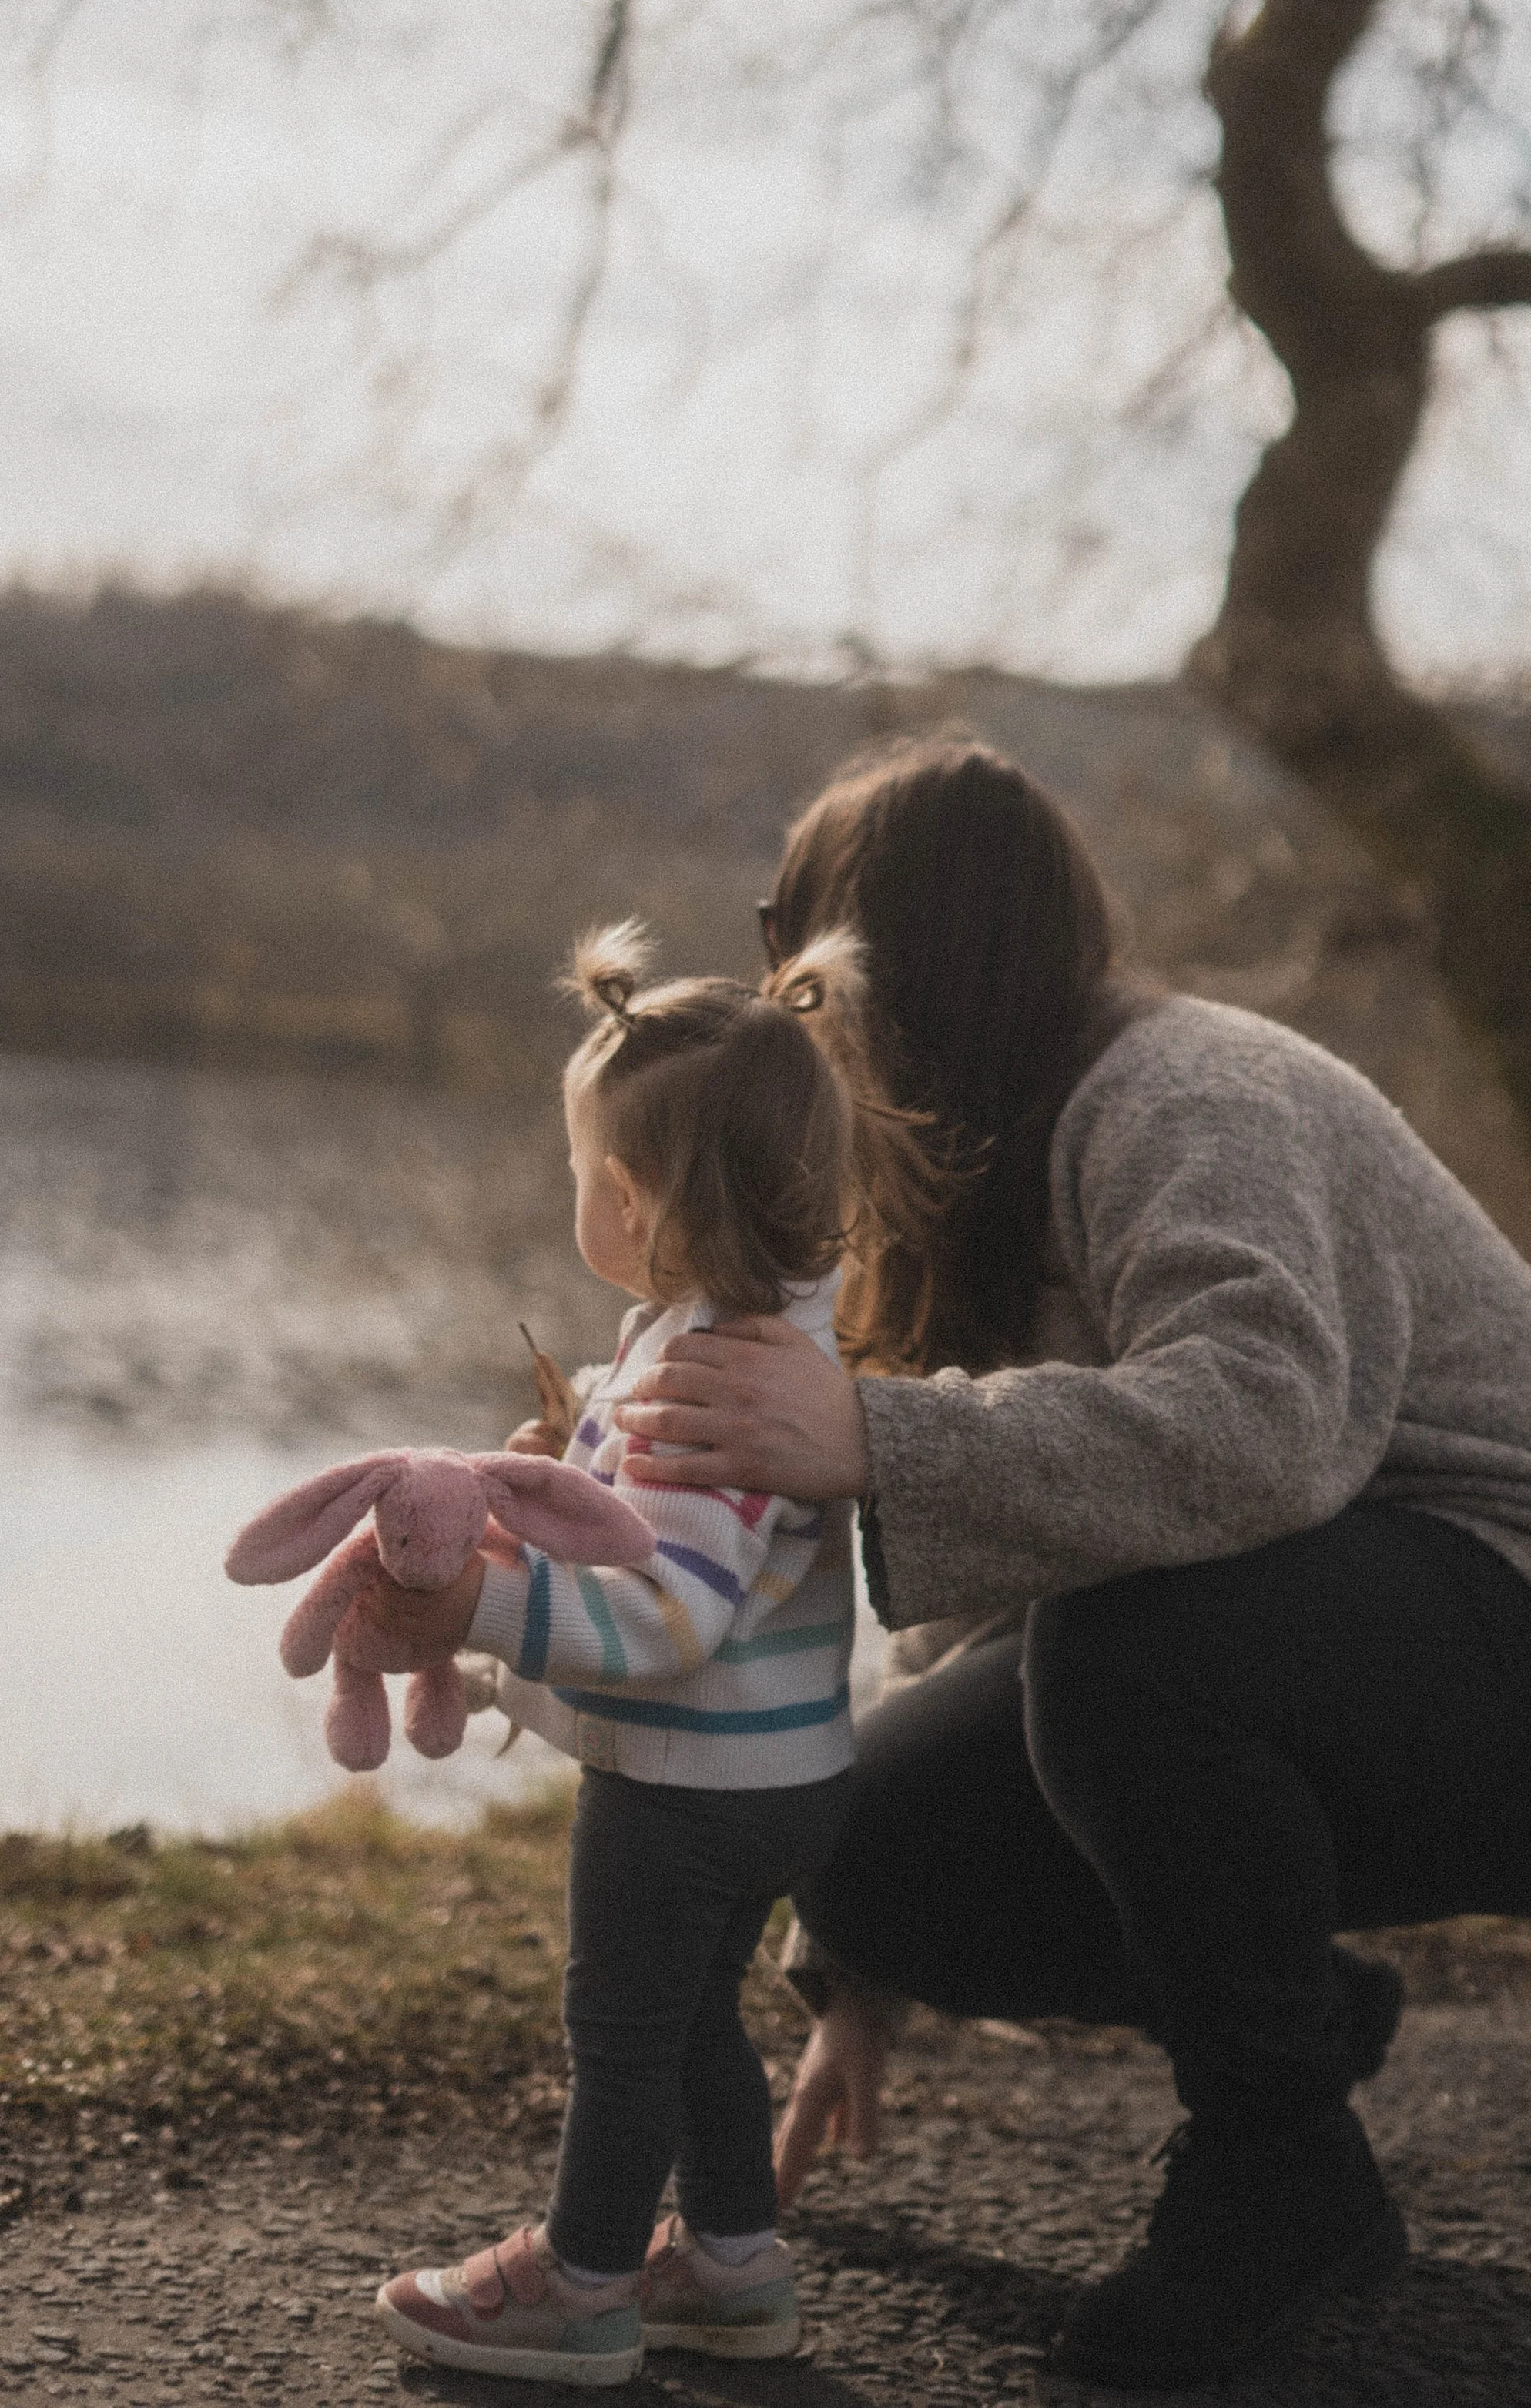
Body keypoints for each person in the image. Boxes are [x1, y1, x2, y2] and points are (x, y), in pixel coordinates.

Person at [609, 736, 1531, 2393]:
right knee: (859, 1827)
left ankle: (1278, 2169)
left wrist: (871, 1440)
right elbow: (1042, 1532)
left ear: (884, 956)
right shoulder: (997, 1166)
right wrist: (852, 1955)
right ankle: (1284, 2014)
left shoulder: (1188, 1092)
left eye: (781, 933)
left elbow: (1254, 1433)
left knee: (1139, 1652)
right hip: (1379, 1644)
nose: (769, 990)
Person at [367, 919, 936, 2389]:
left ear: (623, 1195)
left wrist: (478, 1613)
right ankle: (736, 2268)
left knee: (619, 2030)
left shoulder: (702, 1375)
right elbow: (683, 1546)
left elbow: (669, 1618)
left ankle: (584, 2281)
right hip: (781, 1773)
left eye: (578, 1176)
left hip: (686, 1788)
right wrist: (571, 1472)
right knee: (692, 2019)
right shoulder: (760, 1339)